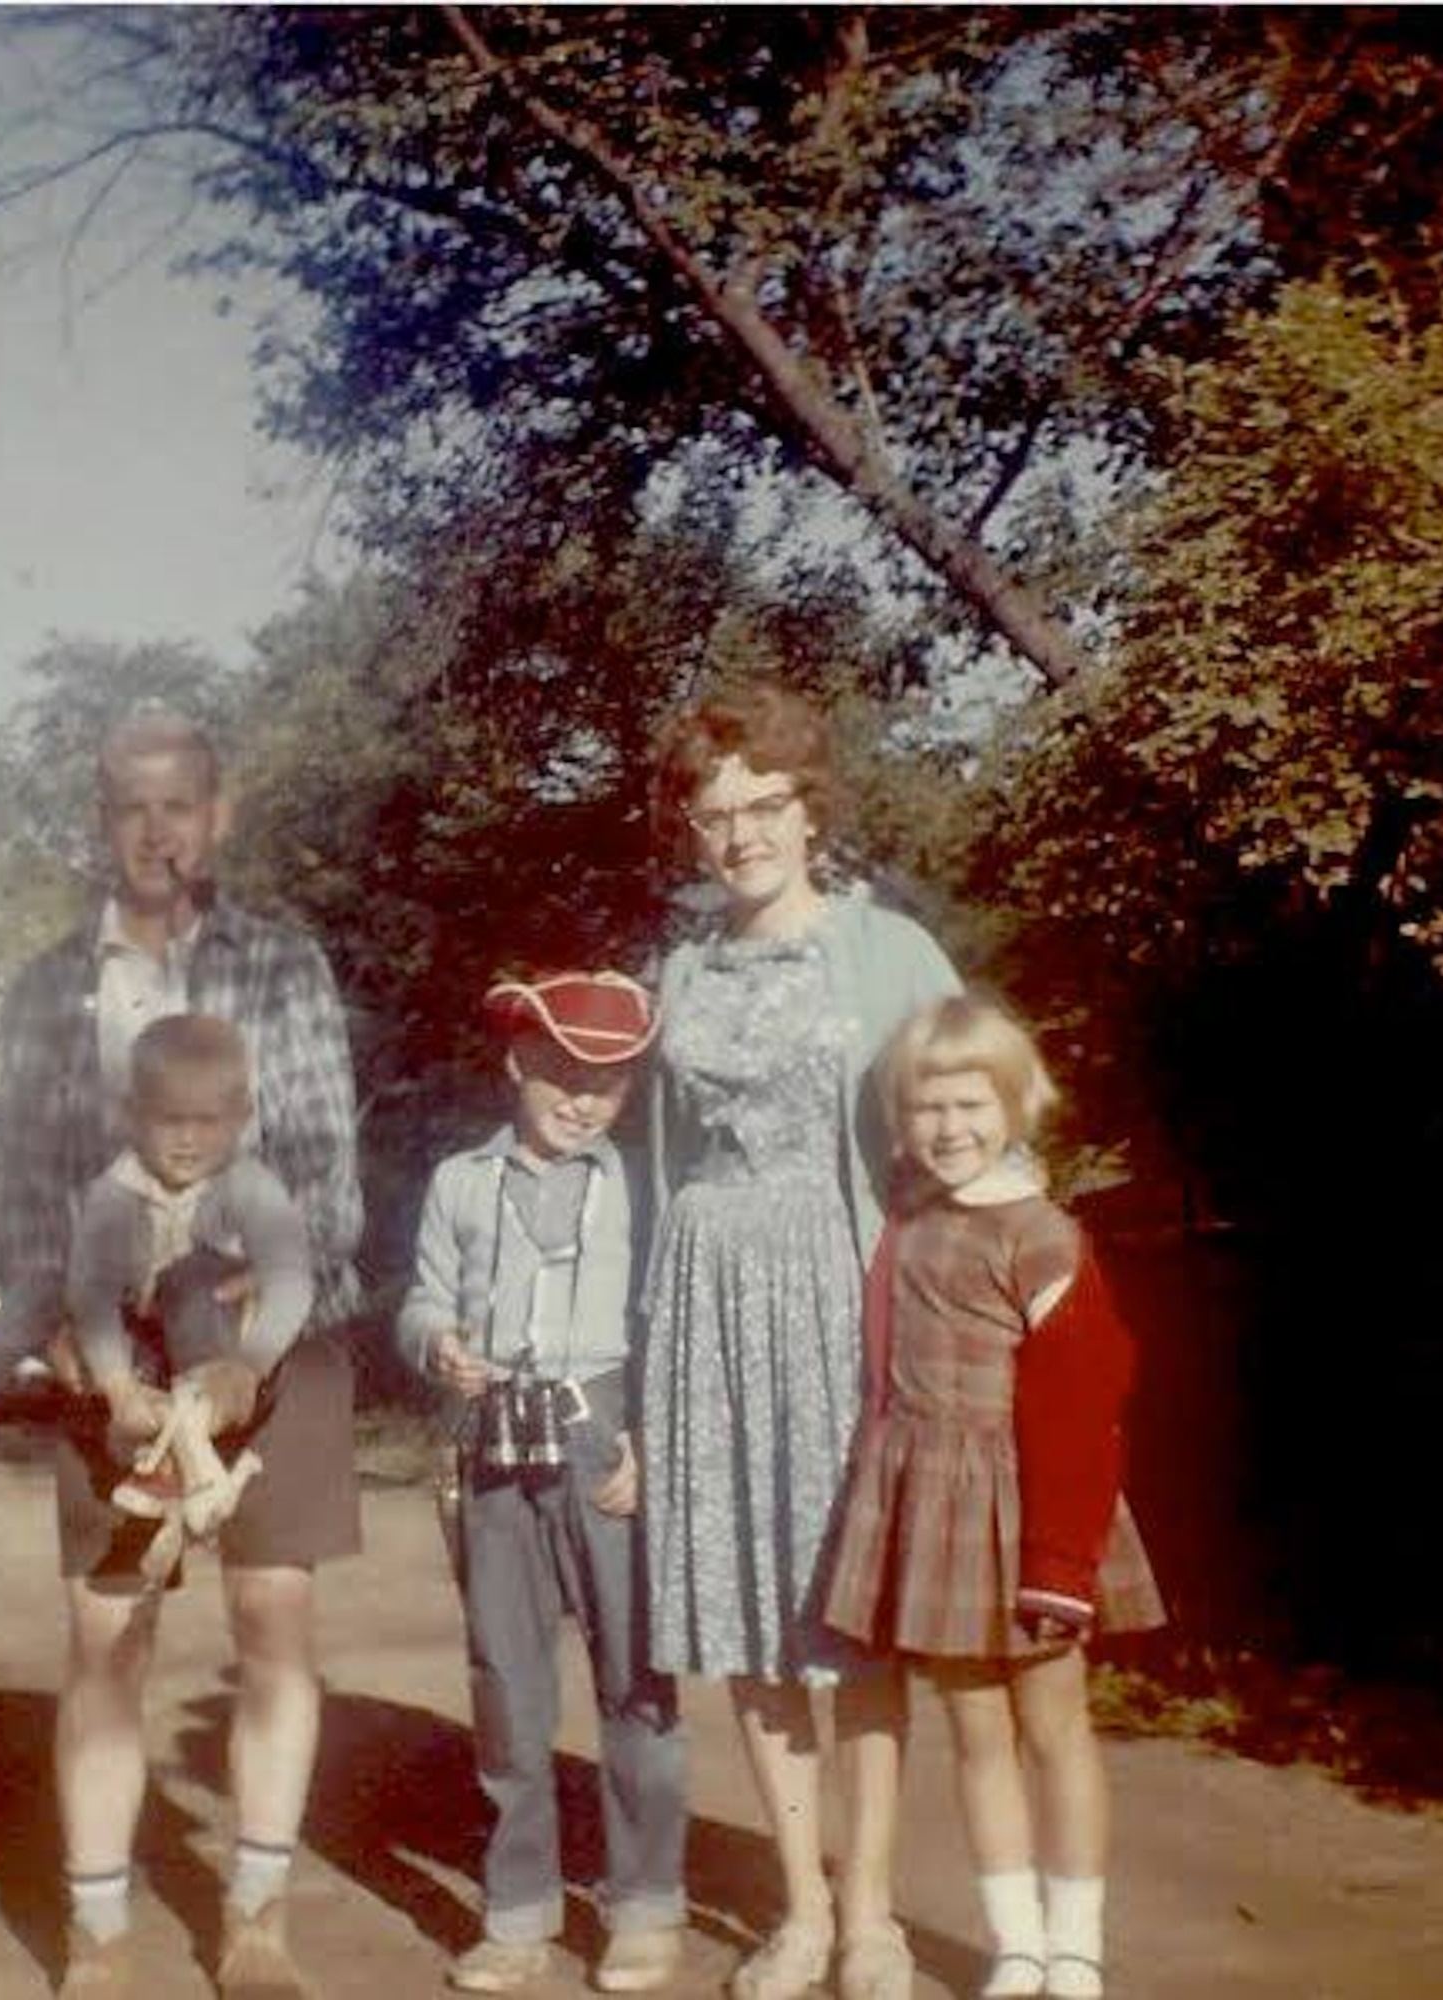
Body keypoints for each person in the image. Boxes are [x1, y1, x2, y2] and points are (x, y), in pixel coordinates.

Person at [0, 706, 362, 1998]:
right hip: (106, 1351)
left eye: (179, 803)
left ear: (218, 814)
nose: (155, 832)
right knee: (107, 1640)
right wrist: (73, 1355)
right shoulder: (43, 992)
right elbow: (22, 1188)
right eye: (130, 807)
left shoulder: (281, 967)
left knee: (273, 1620)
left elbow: (324, 1173)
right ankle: (100, 1933)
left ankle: (256, 1919)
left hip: (267, 1333)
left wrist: (246, 1336)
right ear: (102, 823)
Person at [639, 678, 962, 2000]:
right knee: (750, 1616)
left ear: (807, 805)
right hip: (708, 1303)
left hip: (842, 1296)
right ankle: (802, 1910)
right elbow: (654, 1157)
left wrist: (949, 1314)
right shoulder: (677, 966)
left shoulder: (890, 953)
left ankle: (876, 1916)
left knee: (855, 1621)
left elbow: (967, 1123)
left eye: (763, 803)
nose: (740, 833)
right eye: (714, 813)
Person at [824, 994, 1166, 2000]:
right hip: (934, 1514)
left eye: (971, 1103)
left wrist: (1063, 1562)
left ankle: (1076, 1945)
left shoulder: (1043, 1235)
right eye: (926, 1106)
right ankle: (1014, 1942)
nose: (949, 1127)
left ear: (1016, 1104)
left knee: (1054, 1727)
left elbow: (1081, 1406)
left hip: (1030, 1511)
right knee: (974, 1736)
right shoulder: (905, 1221)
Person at [397, 971, 688, 1996]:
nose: (581, 1098)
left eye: (606, 1083)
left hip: (602, 1431)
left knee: (635, 1680)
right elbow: (423, 1296)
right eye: (561, 1072)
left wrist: (648, 1440)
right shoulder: (459, 1182)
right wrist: (436, 1344)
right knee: (507, 1682)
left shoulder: (645, 1186)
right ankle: (518, 1910)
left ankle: (644, 1902)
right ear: (516, 1062)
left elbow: (669, 1324)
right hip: (490, 1437)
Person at [60, 1012, 315, 1574]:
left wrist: (250, 1363)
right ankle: (184, 1481)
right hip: (145, 1369)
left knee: (195, 1273)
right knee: (117, 1348)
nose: (188, 1139)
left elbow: (292, 1276)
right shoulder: (114, 1192)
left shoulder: (248, 1182)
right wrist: (118, 1384)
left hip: (227, 1364)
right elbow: (92, 1295)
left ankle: (185, 1457)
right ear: (132, 1116)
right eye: (169, 1120)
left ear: (242, 1118)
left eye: (207, 1121)